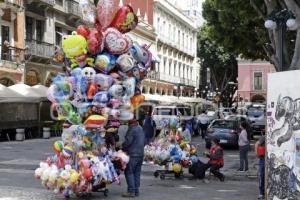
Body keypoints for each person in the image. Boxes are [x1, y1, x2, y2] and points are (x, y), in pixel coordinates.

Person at [122, 118, 145, 198]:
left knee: (129, 172)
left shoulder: (132, 130)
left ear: (130, 124)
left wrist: (122, 148)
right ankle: (136, 190)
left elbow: (128, 142)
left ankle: (131, 191)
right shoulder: (140, 128)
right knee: (136, 173)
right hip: (140, 154)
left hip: (133, 154)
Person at [255, 135, 265, 200]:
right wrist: (257, 154)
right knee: (262, 175)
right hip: (263, 159)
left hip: (269, 159)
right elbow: (256, 144)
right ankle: (261, 193)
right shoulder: (264, 137)